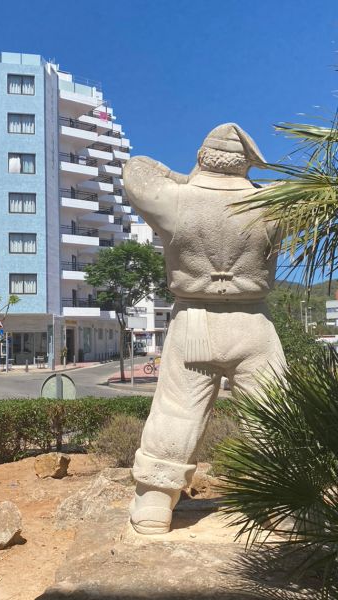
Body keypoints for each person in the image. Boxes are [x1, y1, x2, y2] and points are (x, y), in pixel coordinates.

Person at [123, 123, 285, 535]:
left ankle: (155, 504)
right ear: (245, 163)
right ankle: (285, 501)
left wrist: (188, 178)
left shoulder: (175, 199)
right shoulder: (272, 202)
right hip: (253, 322)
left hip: (193, 319)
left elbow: (137, 170)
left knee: (177, 411)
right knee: (272, 414)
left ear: (202, 156)